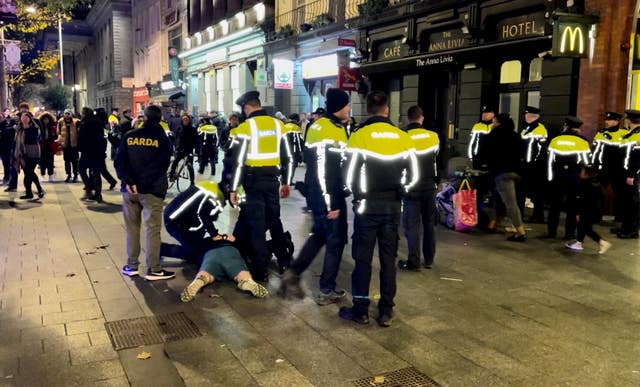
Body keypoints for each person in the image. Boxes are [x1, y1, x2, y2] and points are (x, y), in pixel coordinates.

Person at [339, 91, 418, 327]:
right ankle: (386, 310)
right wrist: (401, 192)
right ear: (387, 110)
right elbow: (413, 175)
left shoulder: (359, 136)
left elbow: (349, 174)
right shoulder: (403, 137)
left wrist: (357, 196)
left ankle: (361, 310)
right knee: (388, 259)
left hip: (366, 206)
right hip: (392, 207)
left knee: (362, 259)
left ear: (367, 109)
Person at [278, 88, 350, 304]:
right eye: (347, 104)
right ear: (339, 106)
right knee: (335, 240)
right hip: (327, 195)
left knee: (320, 234)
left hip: (329, 192)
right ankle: (326, 290)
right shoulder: (322, 128)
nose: (349, 108)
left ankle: (293, 273)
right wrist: (330, 204)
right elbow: (321, 171)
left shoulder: (337, 127)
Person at [161, 182, 268, 301]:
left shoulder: (212, 188)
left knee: (197, 256)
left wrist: (216, 236)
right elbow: (204, 215)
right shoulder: (216, 198)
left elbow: (201, 212)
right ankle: (246, 281)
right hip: (179, 223)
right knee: (193, 253)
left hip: (182, 222)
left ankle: (199, 281)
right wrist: (216, 235)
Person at [228, 90, 293, 281]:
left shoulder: (245, 128)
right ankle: (284, 262)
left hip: (252, 183)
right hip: (273, 181)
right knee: (274, 220)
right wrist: (287, 182)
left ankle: (260, 270)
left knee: (256, 226)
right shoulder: (278, 124)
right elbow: (288, 157)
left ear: (247, 108)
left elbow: (238, 162)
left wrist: (234, 189)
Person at [115, 105, 175, 281]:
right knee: (152, 230)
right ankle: (154, 269)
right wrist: (142, 183)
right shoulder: (162, 139)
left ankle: (131, 265)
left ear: (145, 118)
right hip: (152, 191)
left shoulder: (130, 136)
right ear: (159, 120)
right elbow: (161, 166)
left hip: (129, 191)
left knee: (132, 229)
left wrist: (129, 181)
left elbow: (120, 162)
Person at [398, 106, 440, 271]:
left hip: (411, 186)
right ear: (421, 118)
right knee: (430, 224)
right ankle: (429, 260)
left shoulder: (402, 137)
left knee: (412, 225)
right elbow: (436, 157)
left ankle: (414, 260)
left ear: (409, 118)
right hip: (430, 185)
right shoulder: (433, 136)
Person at [543, 116, 591, 239]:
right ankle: (569, 233)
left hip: (557, 176)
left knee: (554, 206)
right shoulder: (583, 142)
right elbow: (586, 162)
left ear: (566, 127)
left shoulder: (555, 140)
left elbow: (549, 161)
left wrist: (550, 177)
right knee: (572, 207)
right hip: (573, 177)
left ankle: (551, 232)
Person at [483, 113, 526, 241]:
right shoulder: (516, 135)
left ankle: (520, 232)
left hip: (502, 174)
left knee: (510, 203)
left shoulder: (493, 136)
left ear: (499, 123)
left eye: (494, 122)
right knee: (500, 199)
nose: (492, 124)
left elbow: (486, 153)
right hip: (516, 173)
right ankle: (493, 224)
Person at [591, 111, 628, 233]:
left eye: (610, 120)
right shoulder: (601, 133)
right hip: (604, 169)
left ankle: (620, 219)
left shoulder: (625, 134)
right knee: (597, 193)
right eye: (606, 120)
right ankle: (596, 216)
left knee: (621, 195)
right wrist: (593, 165)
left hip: (619, 170)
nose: (607, 122)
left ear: (617, 121)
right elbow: (595, 150)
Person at [565, 165, 612, 253]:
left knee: (585, 228)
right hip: (595, 210)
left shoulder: (584, 184)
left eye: (582, 171)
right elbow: (602, 195)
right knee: (583, 226)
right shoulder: (595, 183)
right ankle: (579, 243)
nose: (580, 173)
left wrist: (578, 213)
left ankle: (602, 242)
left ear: (587, 174)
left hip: (587, 211)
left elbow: (581, 200)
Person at [519, 106, 548, 223]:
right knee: (528, 191)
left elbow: (541, 150)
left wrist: (533, 162)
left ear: (532, 116)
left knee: (537, 192)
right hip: (526, 164)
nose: (525, 117)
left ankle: (538, 215)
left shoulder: (540, 129)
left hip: (535, 166)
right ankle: (532, 214)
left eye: (527, 115)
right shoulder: (527, 128)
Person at [78, 107, 108, 202]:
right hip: (97, 151)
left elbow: (81, 137)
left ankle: (89, 188)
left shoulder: (84, 122)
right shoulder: (98, 121)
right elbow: (102, 137)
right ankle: (98, 194)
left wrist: (79, 148)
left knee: (81, 169)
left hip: (87, 151)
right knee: (96, 173)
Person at [618, 109, 640, 239]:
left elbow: (637, 158)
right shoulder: (630, 134)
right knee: (627, 201)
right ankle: (626, 226)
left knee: (632, 203)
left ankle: (631, 230)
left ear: (629, 120)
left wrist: (631, 175)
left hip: (632, 174)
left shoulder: (637, 135)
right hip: (626, 172)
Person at [14, 112, 44, 200]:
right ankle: (29, 192)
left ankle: (38, 189)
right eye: (22, 117)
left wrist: (25, 128)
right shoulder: (19, 129)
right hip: (22, 153)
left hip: (33, 152)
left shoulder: (34, 128)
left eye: (26, 117)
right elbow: (16, 141)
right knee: (27, 173)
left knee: (29, 172)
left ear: (30, 118)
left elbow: (33, 139)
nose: (24, 119)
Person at [169, 114, 197, 185]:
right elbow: (176, 138)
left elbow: (196, 140)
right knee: (175, 162)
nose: (185, 121)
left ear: (189, 121)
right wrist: (176, 147)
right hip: (180, 149)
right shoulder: (179, 128)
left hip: (189, 150)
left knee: (190, 166)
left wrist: (197, 151)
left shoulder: (193, 129)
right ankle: (171, 175)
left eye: (186, 120)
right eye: (184, 120)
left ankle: (192, 182)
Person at [57, 109, 79, 183]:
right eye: (65, 114)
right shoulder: (60, 122)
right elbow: (58, 132)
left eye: (68, 114)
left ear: (71, 114)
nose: (67, 115)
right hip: (65, 145)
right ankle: (69, 175)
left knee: (75, 161)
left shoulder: (76, 122)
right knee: (67, 161)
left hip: (74, 144)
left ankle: (75, 175)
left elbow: (79, 132)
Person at [38, 112, 58, 181]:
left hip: (50, 146)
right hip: (42, 146)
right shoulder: (40, 127)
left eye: (47, 119)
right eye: (44, 119)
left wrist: (53, 137)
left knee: (50, 161)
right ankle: (42, 175)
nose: (46, 121)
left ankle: (51, 175)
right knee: (42, 161)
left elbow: (56, 136)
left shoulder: (52, 127)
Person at [1, 108, 17, 190]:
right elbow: (3, 131)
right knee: (5, 163)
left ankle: (10, 180)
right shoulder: (2, 122)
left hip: (11, 145)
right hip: (3, 146)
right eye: (5, 112)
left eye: (8, 111)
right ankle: (6, 177)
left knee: (11, 164)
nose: (7, 113)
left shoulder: (13, 121)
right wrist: (11, 128)